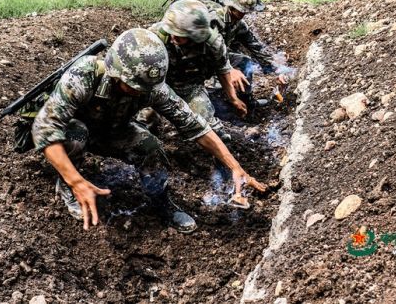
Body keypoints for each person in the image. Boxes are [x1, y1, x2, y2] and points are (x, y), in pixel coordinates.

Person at [31, 28, 266, 233]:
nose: (141, 93)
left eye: (146, 89)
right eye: (133, 87)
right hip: (77, 131)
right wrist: (77, 181)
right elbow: (44, 129)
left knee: (151, 147)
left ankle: (162, 202)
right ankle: (67, 184)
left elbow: (194, 125)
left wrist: (235, 167)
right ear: (116, 72)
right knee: (75, 134)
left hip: (112, 131)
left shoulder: (151, 88)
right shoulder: (85, 74)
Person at [148, 0, 249, 141]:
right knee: (145, 121)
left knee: (212, 130)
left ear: (196, 35)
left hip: (190, 88)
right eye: (172, 32)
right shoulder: (155, 35)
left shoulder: (213, 44)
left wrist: (234, 99)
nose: (173, 38)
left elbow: (222, 70)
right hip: (158, 86)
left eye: (179, 36)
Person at [209, 0, 288, 110]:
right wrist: (228, 69)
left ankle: (246, 101)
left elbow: (256, 47)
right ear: (231, 4)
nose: (243, 14)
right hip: (201, 59)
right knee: (218, 89)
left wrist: (277, 70)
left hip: (219, 57)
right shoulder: (215, 19)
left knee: (244, 61)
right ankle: (220, 105)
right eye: (240, 10)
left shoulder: (238, 23)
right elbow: (208, 50)